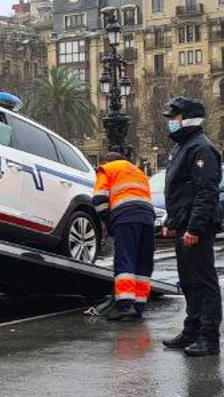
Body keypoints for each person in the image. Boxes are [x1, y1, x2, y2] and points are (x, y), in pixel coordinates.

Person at [159, 96, 222, 356]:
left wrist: (194, 228)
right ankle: (191, 330)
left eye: (174, 118)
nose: (171, 123)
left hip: (197, 227)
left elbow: (205, 192)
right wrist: (173, 222)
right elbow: (180, 191)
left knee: (203, 281)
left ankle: (209, 338)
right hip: (184, 224)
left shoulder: (201, 149)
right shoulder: (183, 148)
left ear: (188, 119)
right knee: (188, 280)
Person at [92, 151, 155, 320]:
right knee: (143, 261)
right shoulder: (138, 171)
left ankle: (125, 306)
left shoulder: (106, 169)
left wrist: (108, 221)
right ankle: (138, 306)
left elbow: (99, 200)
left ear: (107, 161)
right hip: (148, 217)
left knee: (125, 258)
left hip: (126, 217)